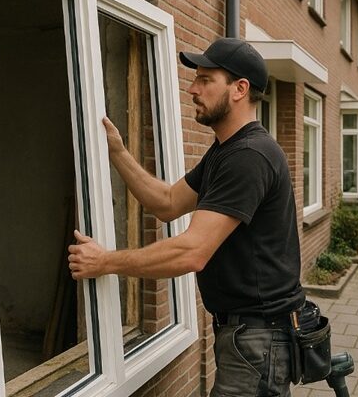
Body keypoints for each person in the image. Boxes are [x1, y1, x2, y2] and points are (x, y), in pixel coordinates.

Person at [68, 37, 305, 396]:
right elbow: (166, 202)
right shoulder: (225, 152)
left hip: (258, 339)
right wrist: (117, 152)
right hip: (249, 336)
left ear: (240, 89)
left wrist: (105, 261)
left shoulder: (249, 156)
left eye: (206, 79)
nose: (193, 88)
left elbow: (192, 251)